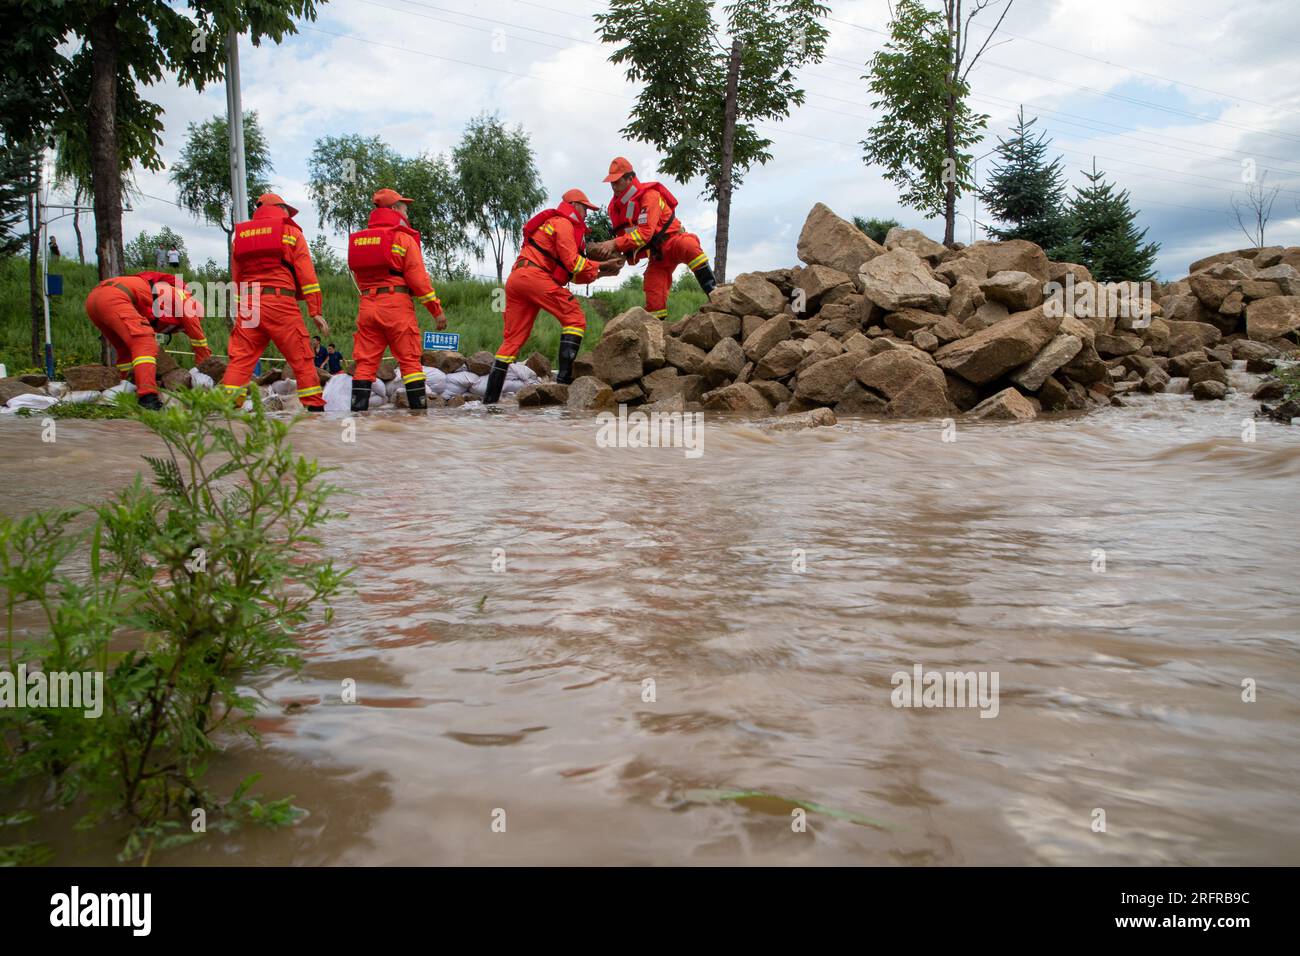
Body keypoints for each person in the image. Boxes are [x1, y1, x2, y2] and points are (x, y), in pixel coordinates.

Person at [483, 189, 623, 405]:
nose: (586, 213)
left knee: (511, 342)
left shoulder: (550, 224)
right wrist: (603, 264)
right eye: (585, 208)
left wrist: (602, 272)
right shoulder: (564, 223)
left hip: (517, 278)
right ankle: (564, 385)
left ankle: (489, 403)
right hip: (535, 277)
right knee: (575, 318)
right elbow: (573, 264)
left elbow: (570, 275)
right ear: (574, 205)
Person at [221, 193, 328, 411]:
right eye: (287, 209)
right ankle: (315, 412)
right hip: (280, 302)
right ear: (280, 208)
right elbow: (307, 275)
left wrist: (241, 306)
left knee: (240, 359)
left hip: (249, 304)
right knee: (301, 357)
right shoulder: (291, 233)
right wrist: (314, 310)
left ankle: (227, 414)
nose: (289, 214)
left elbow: (236, 275)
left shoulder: (240, 237)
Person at [345, 188, 447, 412]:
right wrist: (436, 310)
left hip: (367, 306)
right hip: (396, 305)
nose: (407, 213)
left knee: (365, 364)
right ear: (393, 209)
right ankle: (418, 421)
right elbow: (419, 280)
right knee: (410, 361)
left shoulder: (360, 241)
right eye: (403, 207)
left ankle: (358, 418)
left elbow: (357, 275)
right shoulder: (402, 238)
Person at [589, 157, 715, 321]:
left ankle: (715, 295)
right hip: (657, 255)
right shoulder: (615, 208)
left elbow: (644, 233)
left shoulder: (650, 195)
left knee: (689, 246)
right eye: (611, 182)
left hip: (673, 241)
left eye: (617, 181)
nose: (613, 186)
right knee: (653, 290)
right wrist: (619, 258)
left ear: (630, 178)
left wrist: (614, 244)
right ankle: (656, 336)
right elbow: (627, 239)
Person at [83, 272, 209, 410]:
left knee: (126, 349)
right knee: (144, 342)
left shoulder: (161, 298)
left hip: (94, 300)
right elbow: (198, 339)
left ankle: (126, 385)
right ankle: (148, 397)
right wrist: (205, 368)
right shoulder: (186, 300)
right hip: (116, 297)